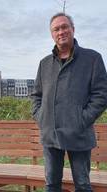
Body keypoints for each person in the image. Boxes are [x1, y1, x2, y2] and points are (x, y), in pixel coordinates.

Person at [31, 12, 107, 192]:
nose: (61, 31)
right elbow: (36, 95)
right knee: (51, 185)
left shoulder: (92, 58)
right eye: (56, 29)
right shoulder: (44, 63)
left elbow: (102, 95)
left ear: (73, 29)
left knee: (82, 184)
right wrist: (41, 117)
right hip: (50, 134)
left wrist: (82, 120)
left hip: (79, 134)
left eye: (64, 27)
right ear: (52, 34)